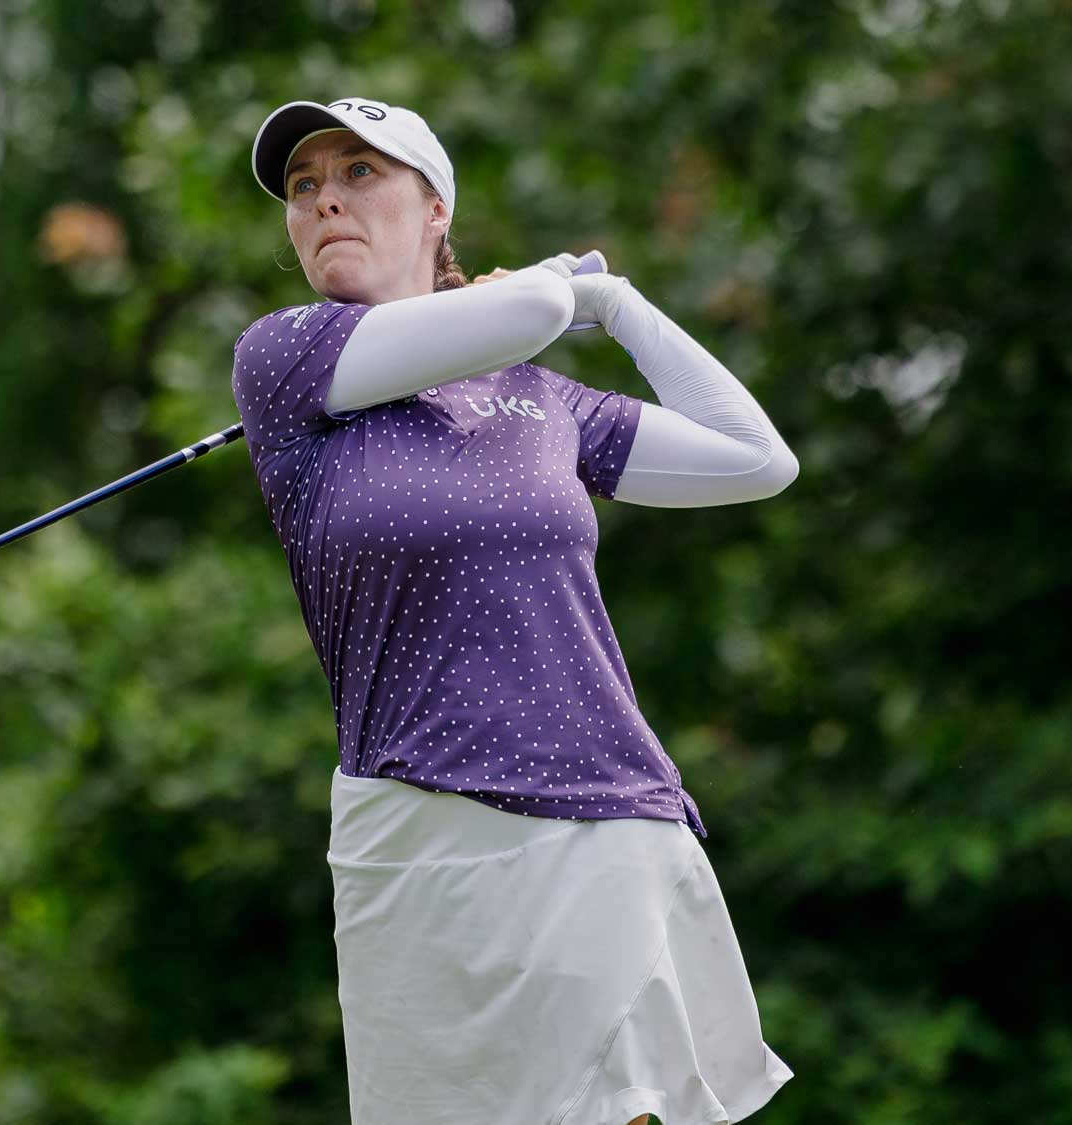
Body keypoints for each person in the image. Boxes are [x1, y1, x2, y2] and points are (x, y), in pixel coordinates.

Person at [231, 96, 799, 1125]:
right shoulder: (285, 359)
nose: (324, 202)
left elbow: (759, 460)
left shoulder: (539, 400)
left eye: (360, 174)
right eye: (304, 187)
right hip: (413, 829)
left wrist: (618, 306)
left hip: (604, 816)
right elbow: (532, 310)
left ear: (435, 208)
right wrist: (557, 292)